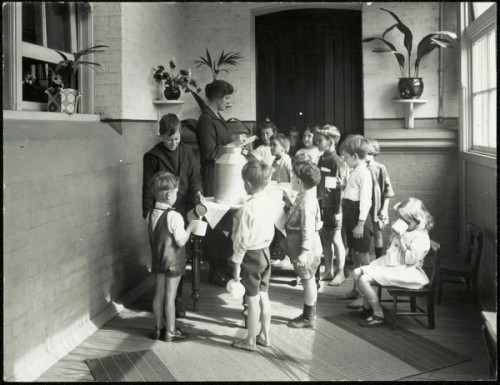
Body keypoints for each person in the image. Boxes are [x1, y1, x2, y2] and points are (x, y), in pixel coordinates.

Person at [143, 113, 204, 318]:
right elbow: (147, 188)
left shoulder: (187, 152)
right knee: (166, 257)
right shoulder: (152, 157)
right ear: (161, 135)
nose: (173, 143)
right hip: (161, 214)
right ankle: (170, 301)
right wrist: (147, 215)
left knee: (181, 255)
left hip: (183, 208)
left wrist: (197, 193)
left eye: (177, 138)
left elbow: (194, 178)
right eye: (169, 139)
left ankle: (177, 297)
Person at [348, 198, 434, 327]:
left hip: (407, 272)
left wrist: (400, 239)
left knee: (364, 279)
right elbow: (392, 251)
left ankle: (378, 314)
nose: (403, 223)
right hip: (394, 265)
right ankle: (367, 308)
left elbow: (409, 260)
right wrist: (393, 237)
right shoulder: (407, 230)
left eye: (407, 221)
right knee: (356, 273)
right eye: (401, 219)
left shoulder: (420, 236)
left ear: (418, 219)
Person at [195, 80, 244, 286]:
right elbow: (210, 153)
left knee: (224, 221)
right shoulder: (206, 120)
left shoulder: (217, 118)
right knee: (214, 223)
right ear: (216, 98)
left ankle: (221, 263)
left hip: (224, 176)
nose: (229, 102)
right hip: (213, 177)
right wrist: (233, 144)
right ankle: (215, 270)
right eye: (226, 98)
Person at [229, 160, 275, 351]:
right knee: (264, 295)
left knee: (252, 298)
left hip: (251, 256)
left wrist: (237, 263)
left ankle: (250, 340)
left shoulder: (246, 209)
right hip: (265, 252)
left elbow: (241, 240)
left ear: (247, 184)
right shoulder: (268, 201)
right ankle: (264, 335)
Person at [147, 171, 197, 341]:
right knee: (171, 296)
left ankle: (157, 328)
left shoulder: (151, 214)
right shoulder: (174, 216)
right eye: (176, 192)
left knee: (159, 293)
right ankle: (170, 331)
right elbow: (181, 241)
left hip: (158, 260)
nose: (176, 195)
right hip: (173, 262)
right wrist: (190, 228)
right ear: (169, 194)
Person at [281, 160, 323, 329]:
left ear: (298, 181)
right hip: (302, 246)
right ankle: (310, 313)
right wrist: (289, 205)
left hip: (306, 248)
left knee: (308, 281)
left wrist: (304, 252)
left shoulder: (307, 203)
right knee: (308, 280)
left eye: (292, 176)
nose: (291, 179)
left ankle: (308, 317)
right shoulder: (306, 196)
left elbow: (307, 229)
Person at [336, 135, 373, 308]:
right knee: (354, 256)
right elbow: (354, 193)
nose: (344, 159)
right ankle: (356, 290)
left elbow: (366, 201)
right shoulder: (355, 171)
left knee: (362, 258)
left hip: (360, 219)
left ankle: (365, 296)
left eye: (345, 157)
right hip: (352, 216)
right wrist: (344, 187)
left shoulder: (364, 173)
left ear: (355, 157)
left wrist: (360, 224)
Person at [315, 125, 348, 286]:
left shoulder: (337, 161)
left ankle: (340, 272)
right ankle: (328, 270)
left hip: (334, 206)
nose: (317, 142)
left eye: (320, 140)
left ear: (330, 142)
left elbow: (340, 190)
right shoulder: (321, 158)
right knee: (325, 238)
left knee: (336, 238)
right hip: (322, 205)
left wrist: (339, 211)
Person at [365, 138, 394, 259]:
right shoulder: (359, 168)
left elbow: (388, 191)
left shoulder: (380, 168)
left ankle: (378, 258)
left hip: (376, 205)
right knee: (364, 232)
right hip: (362, 205)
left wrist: (384, 209)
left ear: (371, 152)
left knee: (378, 232)